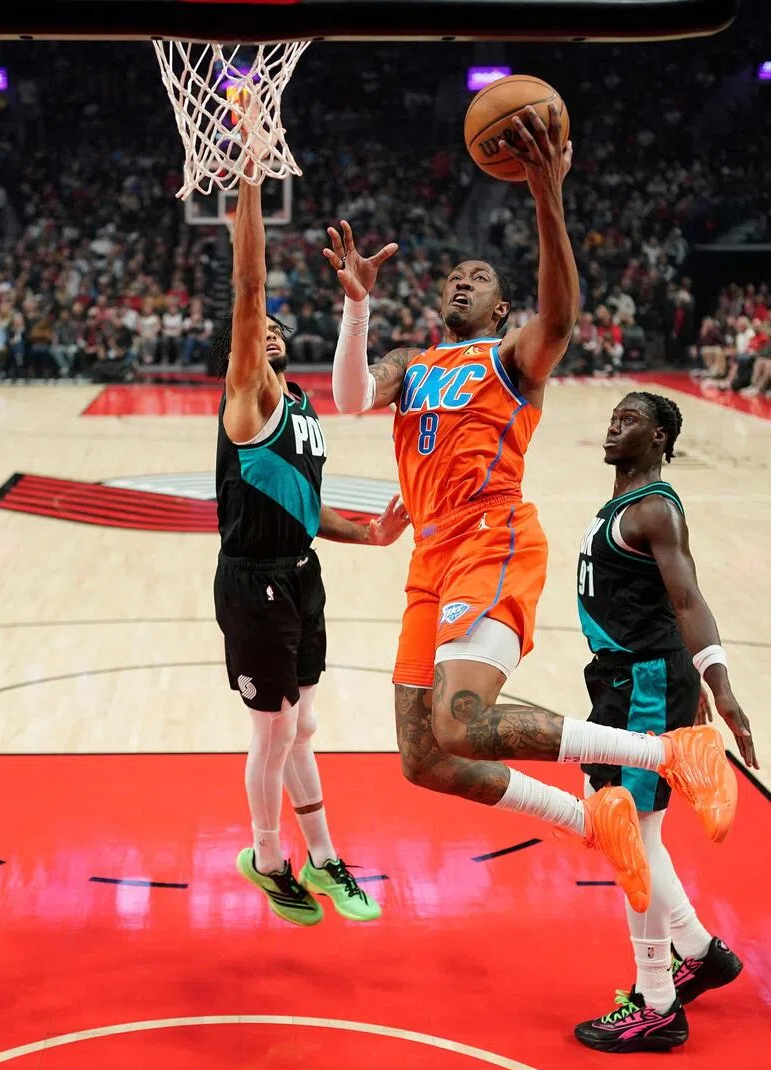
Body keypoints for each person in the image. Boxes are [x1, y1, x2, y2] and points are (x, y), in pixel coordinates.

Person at [326, 104, 741, 915]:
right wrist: (356, 307)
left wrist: (548, 197)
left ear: (499, 311)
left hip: (494, 538)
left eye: (479, 278)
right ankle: (591, 817)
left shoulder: (513, 357)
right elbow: (346, 398)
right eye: (455, 274)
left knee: (462, 719)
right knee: (423, 755)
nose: (461, 279)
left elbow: (561, 317)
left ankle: (669, 752)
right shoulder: (412, 363)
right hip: (431, 558)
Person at [212, 138, 412, 927]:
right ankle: (268, 859)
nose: (262, 334)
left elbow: (304, 506)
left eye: (270, 331)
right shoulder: (249, 399)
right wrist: (253, 179)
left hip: (299, 570)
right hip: (252, 578)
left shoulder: (301, 409)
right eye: (250, 332)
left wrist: (370, 536)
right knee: (276, 727)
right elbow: (249, 284)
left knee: (306, 723)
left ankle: (325, 858)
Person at [571, 393, 754, 1053]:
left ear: (660, 437)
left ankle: (656, 1003)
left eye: (630, 418)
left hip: (645, 686)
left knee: (629, 837)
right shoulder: (625, 505)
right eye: (612, 414)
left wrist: (719, 684)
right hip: (629, 681)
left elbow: (688, 596)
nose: (614, 423)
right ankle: (699, 951)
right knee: (615, 822)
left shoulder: (653, 508)